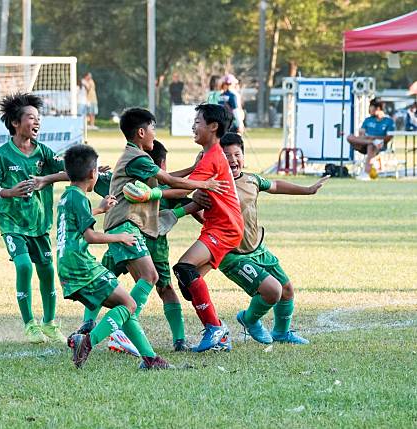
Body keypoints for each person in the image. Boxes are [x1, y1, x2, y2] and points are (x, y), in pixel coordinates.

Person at [96, 108, 228, 348]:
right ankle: (115, 328)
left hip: (143, 230)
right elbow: (170, 182)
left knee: (157, 282)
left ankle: (173, 340)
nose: (154, 135)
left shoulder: (137, 157)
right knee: (134, 278)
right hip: (126, 227)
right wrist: (203, 182)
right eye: (153, 129)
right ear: (141, 132)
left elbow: (166, 179)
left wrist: (192, 171)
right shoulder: (137, 157)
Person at [76, 141, 208, 353]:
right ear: (161, 164)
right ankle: (177, 339)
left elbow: (81, 177)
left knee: (103, 282)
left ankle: (89, 324)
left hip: (121, 239)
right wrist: (198, 202)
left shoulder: (120, 181)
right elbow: (194, 210)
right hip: (150, 242)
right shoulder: (171, 188)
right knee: (164, 288)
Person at [201, 133, 329, 345]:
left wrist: (308, 190)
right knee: (272, 292)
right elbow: (197, 207)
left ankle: (281, 332)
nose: (233, 160)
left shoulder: (252, 179)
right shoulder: (214, 185)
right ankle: (249, 320)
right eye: (226, 156)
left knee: (286, 289)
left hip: (257, 248)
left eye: (237, 154)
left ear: (243, 156)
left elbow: (276, 186)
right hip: (233, 255)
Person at [58, 144, 172, 369]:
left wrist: (100, 210)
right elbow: (90, 236)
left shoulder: (67, 196)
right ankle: (88, 341)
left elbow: (75, 221)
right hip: (81, 265)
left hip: (68, 265)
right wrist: (120, 237)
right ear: (93, 174)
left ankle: (150, 359)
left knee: (125, 305)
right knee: (129, 304)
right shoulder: (79, 198)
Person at [0, 92, 66, 344]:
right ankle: (30, 323)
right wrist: (8, 192)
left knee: (47, 271)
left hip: (39, 223)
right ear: (16, 123)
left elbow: (66, 172)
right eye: (31, 117)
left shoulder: (44, 153)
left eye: (38, 118)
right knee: (23, 266)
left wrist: (83, 168)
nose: (37, 122)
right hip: (12, 222)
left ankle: (50, 323)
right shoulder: (3, 154)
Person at [172, 103, 244, 352]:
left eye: (198, 122)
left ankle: (215, 329)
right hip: (220, 226)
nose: (194, 126)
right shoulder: (209, 156)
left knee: (184, 267)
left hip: (225, 228)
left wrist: (150, 192)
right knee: (188, 282)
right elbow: (188, 185)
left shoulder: (212, 157)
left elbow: (182, 189)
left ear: (213, 127)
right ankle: (219, 334)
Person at [347, 98, 395, 180]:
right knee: (350, 137)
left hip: (379, 145)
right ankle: (371, 142)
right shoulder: (368, 120)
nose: (369, 109)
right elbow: (361, 134)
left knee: (371, 146)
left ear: (378, 108)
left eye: (370, 107)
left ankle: (366, 173)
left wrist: (374, 138)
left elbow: (388, 137)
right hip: (364, 143)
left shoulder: (389, 121)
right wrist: (371, 139)